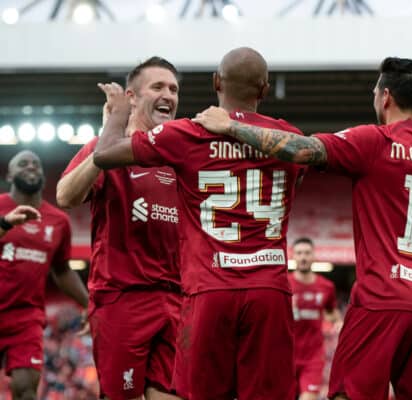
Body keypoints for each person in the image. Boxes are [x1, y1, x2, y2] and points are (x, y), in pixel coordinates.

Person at [195, 57, 412, 400]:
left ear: (385, 97)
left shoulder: (375, 141)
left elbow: (303, 150)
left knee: (346, 395)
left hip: (384, 298)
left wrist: (231, 127)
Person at [93, 47, 306, 400]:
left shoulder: (187, 134)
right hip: (269, 290)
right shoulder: (288, 138)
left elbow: (105, 154)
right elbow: (298, 176)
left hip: (209, 290)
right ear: (265, 90)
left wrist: (117, 111)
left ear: (216, 82)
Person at [56, 57, 182, 400]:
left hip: (177, 299)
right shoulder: (107, 152)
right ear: (132, 97)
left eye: (173, 89)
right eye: (157, 87)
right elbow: (66, 195)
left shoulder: (180, 154)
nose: (168, 95)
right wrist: (108, 133)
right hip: (122, 299)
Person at [0, 150, 89, 400]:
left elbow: (62, 270)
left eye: (36, 164)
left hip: (26, 318)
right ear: (9, 174)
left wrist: (89, 304)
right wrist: (5, 224)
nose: (31, 167)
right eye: (23, 164)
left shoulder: (59, 221)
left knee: (26, 388)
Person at [290, 237, 343, 400]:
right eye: (299, 253)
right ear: (293, 256)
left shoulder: (326, 286)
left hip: (312, 357)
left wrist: (340, 322)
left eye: (307, 253)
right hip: (285, 355)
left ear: (313, 256)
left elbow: (332, 313)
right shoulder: (284, 283)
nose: (303, 257)